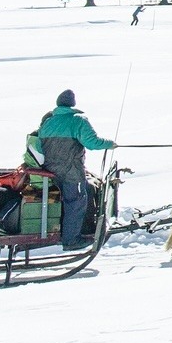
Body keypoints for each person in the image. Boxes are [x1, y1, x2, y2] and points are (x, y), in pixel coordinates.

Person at [33, 90, 116, 249]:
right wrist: (110, 144)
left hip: (51, 171)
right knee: (75, 202)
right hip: (70, 171)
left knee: (87, 190)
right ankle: (71, 240)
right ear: (73, 103)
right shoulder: (78, 121)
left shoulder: (48, 122)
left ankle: (83, 228)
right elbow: (92, 143)